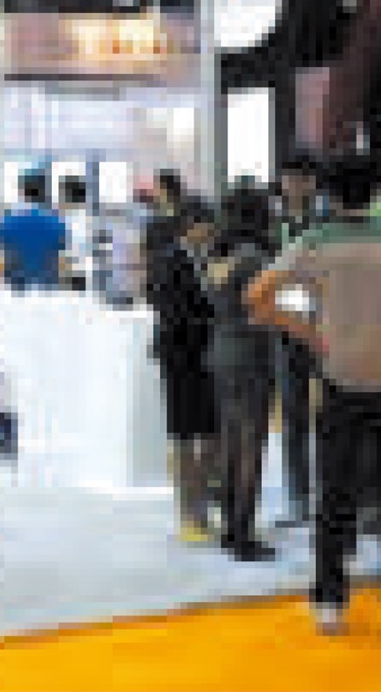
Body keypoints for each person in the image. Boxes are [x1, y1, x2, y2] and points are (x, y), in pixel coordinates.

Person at [247, 153, 381, 643]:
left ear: (330, 194)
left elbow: (256, 297)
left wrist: (309, 333)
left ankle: (329, 603)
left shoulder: (315, 242)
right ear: (375, 193)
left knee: (334, 495)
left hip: (340, 381)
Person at [206, 184, 281, 561]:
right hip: (252, 351)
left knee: (230, 439)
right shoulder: (255, 257)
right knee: (251, 443)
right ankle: (242, 533)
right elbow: (267, 307)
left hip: (221, 347)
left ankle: (229, 528)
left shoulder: (217, 255)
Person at [148, 198, 220, 545]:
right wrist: (212, 322)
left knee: (208, 436)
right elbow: (172, 314)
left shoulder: (203, 259)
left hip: (203, 358)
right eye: (207, 224)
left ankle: (201, 511)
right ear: (191, 225)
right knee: (184, 438)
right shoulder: (170, 261)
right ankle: (188, 516)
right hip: (179, 358)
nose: (212, 231)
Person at [273, 152, 327, 528]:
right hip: (285, 327)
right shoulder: (272, 222)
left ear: (313, 183)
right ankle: (298, 500)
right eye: (290, 178)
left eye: (303, 179)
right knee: (292, 416)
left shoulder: (327, 222)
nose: (296, 186)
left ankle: (330, 494)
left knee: (330, 414)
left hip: (324, 327)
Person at [0, 173, 69, 292]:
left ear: (22, 192)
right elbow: (62, 260)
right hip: (48, 287)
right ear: (45, 192)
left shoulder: (7, 221)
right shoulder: (57, 222)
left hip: (16, 287)